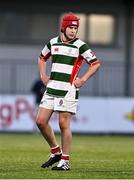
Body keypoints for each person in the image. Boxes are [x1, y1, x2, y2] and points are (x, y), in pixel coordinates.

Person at [36, 12, 101, 171]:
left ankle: (65, 161)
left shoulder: (80, 45)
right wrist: (43, 75)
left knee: (63, 124)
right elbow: (41, 58)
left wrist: (83, 79)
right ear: (64, 28)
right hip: (51, 88)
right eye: (70, 27)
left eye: (75, 28)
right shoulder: (52, 42)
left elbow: (95, 63)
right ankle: (56, 151)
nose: (73, 31)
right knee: (41, 121)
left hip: (68, 90)